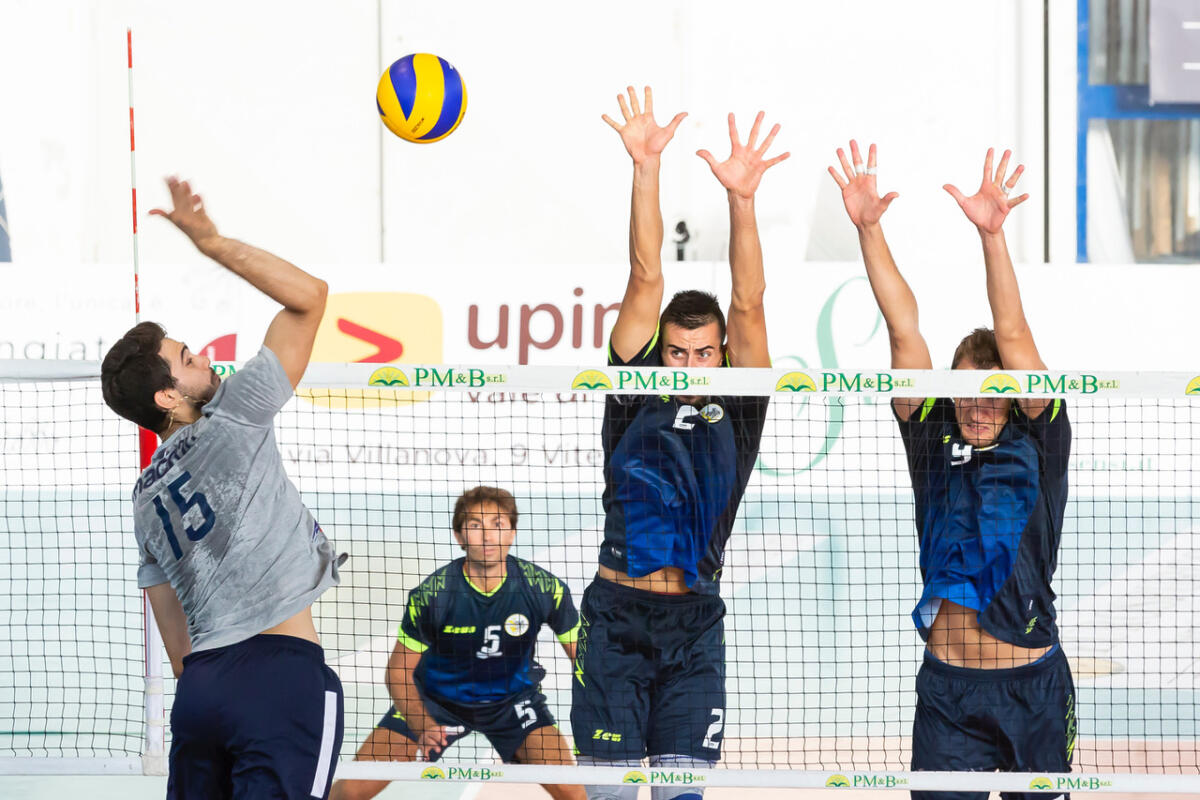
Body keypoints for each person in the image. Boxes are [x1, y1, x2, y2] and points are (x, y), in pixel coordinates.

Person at [830, 142, 1075, 799]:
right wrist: (869, 229)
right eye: (965, 389)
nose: (977, 402)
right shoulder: (931, 434)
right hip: (947, 693)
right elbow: (904, 328)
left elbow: (1014, 331)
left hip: (1032, 687)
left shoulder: (1040, 438)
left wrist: (992, 237)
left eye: (994, 388)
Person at [570, 86, 786, 800]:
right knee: (605, 795)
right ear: (659, 353)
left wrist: (743, 201)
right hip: (614, 619)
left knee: (679, 796)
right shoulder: (633, 388)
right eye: (676, 353)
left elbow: (749, 302)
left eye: (703, 354)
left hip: (693, 624)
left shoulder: (742, 401)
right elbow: (645, 274)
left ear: (722, 356)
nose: (690, 366)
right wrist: (645, 168)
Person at [100, 176, 343, 798]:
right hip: (279, 679)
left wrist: (216, 694)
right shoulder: (235, 412)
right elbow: (310, 298)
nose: (203, 356)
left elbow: (172, 632)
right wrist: (208, 242)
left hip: (203, 693)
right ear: (168, 396)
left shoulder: (144, 499)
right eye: (186, 357)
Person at [330, 486, 584, 800]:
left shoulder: (545, 588)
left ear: (513, 532)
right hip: (437, 701)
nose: (487, 536)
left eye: (497, 524)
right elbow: (397, 671)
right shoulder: (433, 595)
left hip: (513, 701)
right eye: (475, 526)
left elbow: (584, 661)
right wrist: (421, 722)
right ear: (459, 535)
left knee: (573, 791)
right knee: (352, 790)